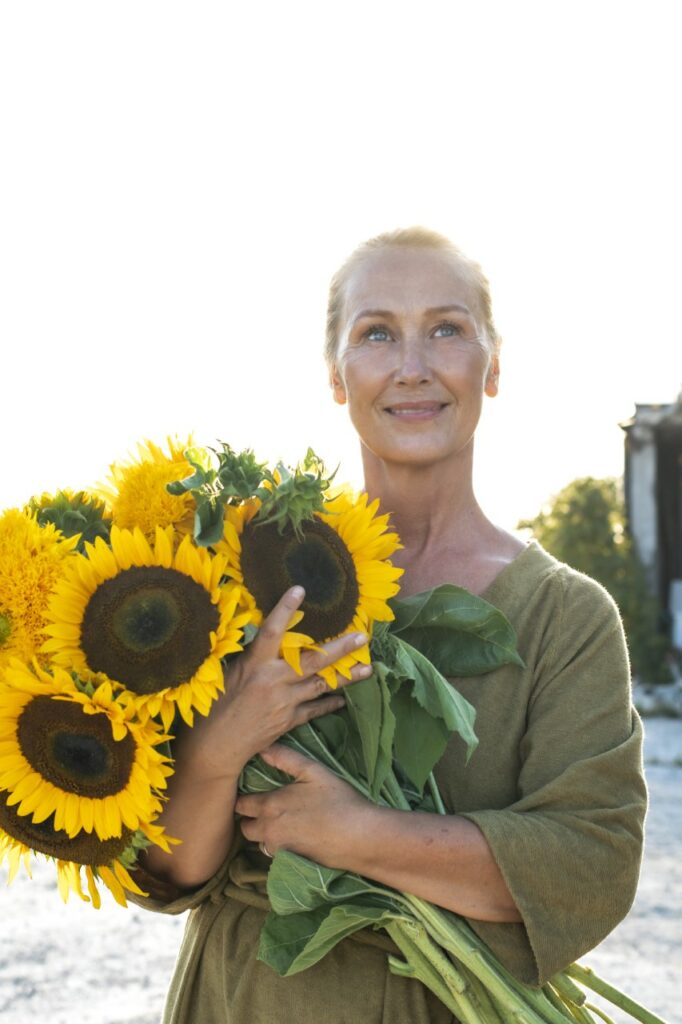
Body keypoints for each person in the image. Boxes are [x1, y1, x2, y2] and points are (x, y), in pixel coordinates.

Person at [133, 228, 647, 1024]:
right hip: (248, 999)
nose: (413, 365)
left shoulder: (565, 616)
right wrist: (218, 745)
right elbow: (167, 873)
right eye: (377, 333)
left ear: (493, 365)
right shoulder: (234, 576)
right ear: (337, 376)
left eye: (446, 328)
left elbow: (591, 865)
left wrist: (359, 834)